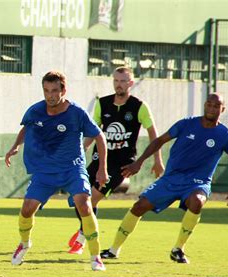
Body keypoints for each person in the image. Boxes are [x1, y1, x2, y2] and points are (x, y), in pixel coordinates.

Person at [100, 93, 228, 264]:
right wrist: (139, 162)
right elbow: (159, 141)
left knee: (197, 201)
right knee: (139, 206)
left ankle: (178, 249)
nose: (212, 109)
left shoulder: (225, 135)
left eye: (216, 106)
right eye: (209, 104)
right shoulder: (186, 124)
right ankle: (113, 249)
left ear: (222, 109)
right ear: (205, 105)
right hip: (171, 179)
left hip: (197, 182)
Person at [5, 70, 109, 271]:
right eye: (46, 90)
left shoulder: (77, 113)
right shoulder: (35, 111)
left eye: (54, 91)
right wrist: (16, 146)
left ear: (63, 90)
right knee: (27, 209)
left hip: (72, 169)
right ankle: (24, 244)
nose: (50, 95)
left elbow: (99, 137)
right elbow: (27, 127)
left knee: (84, 204)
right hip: (45, 171)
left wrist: (102, 169)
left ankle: (96, 257)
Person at [68, 66, 165, 254]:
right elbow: (93, 130)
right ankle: (84, 232)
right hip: (100, 158)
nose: (118, 85)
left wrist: (157, 160)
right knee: (78, 197)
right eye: (116, 81)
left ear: (131, 83)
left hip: (122, 164)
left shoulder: (139, 106)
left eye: (123, 81)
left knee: (92, 198)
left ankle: (82, 237)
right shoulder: (102, 104)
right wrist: (83, 148)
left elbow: (154, 134)